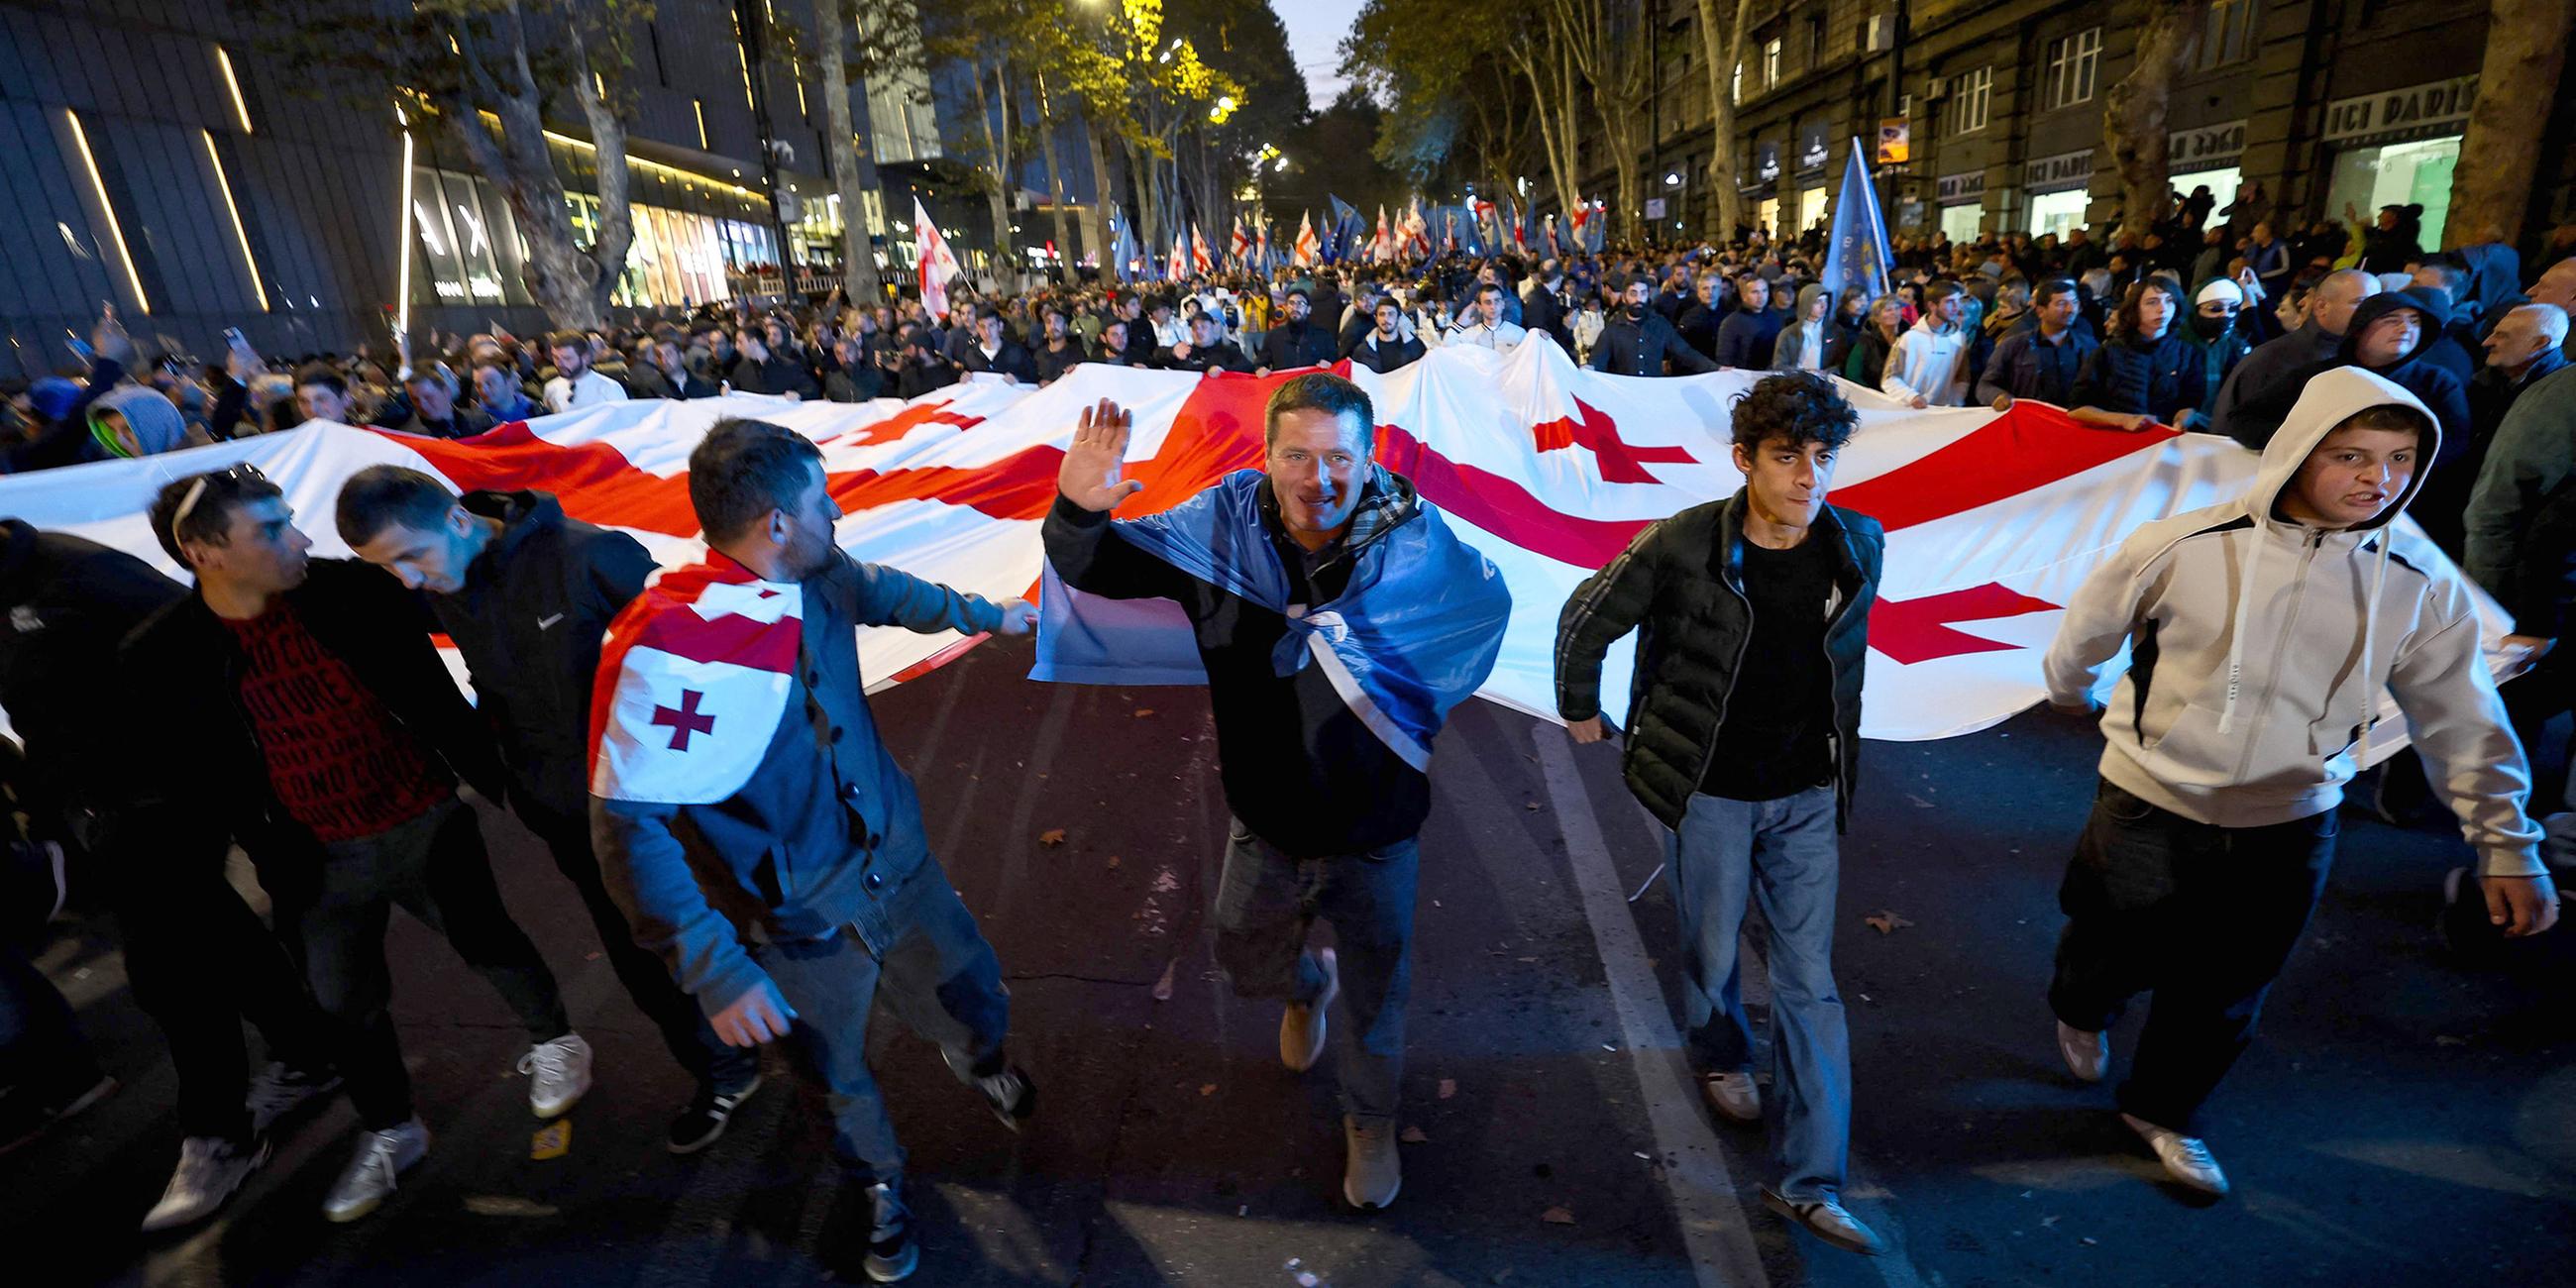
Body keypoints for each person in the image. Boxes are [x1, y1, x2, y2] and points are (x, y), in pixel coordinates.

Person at [2040, 367, 2558, 1198]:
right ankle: (2082, 1004)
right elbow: (2085, 640)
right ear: (2295, 453)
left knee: (2229, 983)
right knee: (2109, 939)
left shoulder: (2419, 590)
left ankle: (2162, 1112)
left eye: (2397, 460)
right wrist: (2076, 694)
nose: (2374, 479)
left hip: (2294, 818)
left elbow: (2462, 718)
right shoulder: (2178, 545)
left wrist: (2507, 843)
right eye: (2349, 455)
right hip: (2148, 800)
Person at [1041, 375, 1510, 1211]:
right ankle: (1303, 986)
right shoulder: (1218, 534)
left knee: (1379, 998)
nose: (1317, 478)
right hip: (1264, 828)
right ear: (1267, 458)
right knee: (1243, 958)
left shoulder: (1416, 546)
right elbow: (1097, 566)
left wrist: (1412, 689)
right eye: (1297, 455)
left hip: (1377, 834)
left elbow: (1480, 608)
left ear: (1371, 462)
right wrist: (1078, 508)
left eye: (1339, 458)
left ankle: (1368, 1123)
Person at [591, 418, 1036, 1284]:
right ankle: (878, 1186)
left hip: (897, 868)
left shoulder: (820, 573)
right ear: (776, 526)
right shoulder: (667, 649)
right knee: (833, 1077)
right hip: (793, 920)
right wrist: (714, 969)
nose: (836, 513)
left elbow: (886, 589)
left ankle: (980, 1058)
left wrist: (987, 614)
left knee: (972, 992)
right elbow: (626, 828)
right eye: (820, 500)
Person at [124, 464, 588, 1224]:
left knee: (488, 937)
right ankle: (390, 1129)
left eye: (288, 517)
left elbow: (446, 679)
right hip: (311, 859)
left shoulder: (356, 591)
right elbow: (194, 774)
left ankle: (556, 1039)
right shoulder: (162, 656)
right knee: (345, 1007)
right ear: (205, 553)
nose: (300, 537)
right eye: (270, 530)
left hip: (423, 819)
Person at [335, 469, 770, 1155]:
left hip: (665, 803)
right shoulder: (448, 578)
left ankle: (812, 1062)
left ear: (455, 520)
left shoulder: (590, 556)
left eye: (408, 558)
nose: (408, 583)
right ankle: (724, 1069)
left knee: (729, 924)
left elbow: (706, 655)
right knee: (640, 955)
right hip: (568, 812)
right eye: (387, 569)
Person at [1553, 372, 1887, 1256]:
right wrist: (1579, 704)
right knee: (1711, 944)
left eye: (1822, 458)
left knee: (1809, 980)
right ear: (1743, 461)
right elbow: (1586, 615)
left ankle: (1809, 1181)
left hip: (1808, 796)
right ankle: (1723, 1052)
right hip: (1709, 793)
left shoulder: (1859, 543)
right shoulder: (1682, 544)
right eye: (1787, 458)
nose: (1808, 478)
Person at [0, 522, 341, 1226]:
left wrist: (221, 790)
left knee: (169, 971)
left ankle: (219, 1134)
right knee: (215, 928)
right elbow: (32, 707)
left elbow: (211, 656)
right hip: (97, 807)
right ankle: (308, 1053)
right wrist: (51, 803)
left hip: (163, 798)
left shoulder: (81, 573)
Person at [2209, 268, 2377, 443]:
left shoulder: (2368, 358)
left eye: (2377, 304)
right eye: (2361, 303)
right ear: (2321, 306)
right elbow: (2238, 430)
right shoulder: (2274, 359)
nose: (2372, 313)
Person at [2068, 279, 2204, 432]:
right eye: (2152, 302)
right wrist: (2123, 420)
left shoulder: (2187, 352)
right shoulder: (2109, 351)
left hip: (2165, 442)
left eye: (2170, 301)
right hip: (2118, 439)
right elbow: (2077, 408)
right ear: (2135, 308)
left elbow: (2191, 402)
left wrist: (2182, 420)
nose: (2163, 309)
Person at [1978, 279, 2097, 408]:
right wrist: (1998, 396)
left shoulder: (2089, 346)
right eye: (2061, 304)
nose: (2070, 309)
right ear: (2040, 311)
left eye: (2074, 303)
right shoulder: (2014, 345)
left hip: (2070, 423)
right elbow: (1985, 385)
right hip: (2026, 421)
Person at [1592, 275, 1721, 376]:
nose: (1638, 299)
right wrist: (1588, 369)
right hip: (1625, 397)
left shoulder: (1659, 324)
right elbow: (1598, 361)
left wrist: (1715, 368)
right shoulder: (1613, 329)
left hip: (1653, 395)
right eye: (1633, 293)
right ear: (1624, 297)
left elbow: (1684, 352)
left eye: (1643, 293)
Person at [2177, 278, 2256, 431]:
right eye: (2215, 309)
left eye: (2232, 308)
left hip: (2225, 429)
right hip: (2180, 427)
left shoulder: (2239, 345)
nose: (2225, 314)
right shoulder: (2177, 343)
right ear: (2196, 310)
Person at [1881, 279, 1971, 407]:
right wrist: (1912, 397)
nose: (1956, 308)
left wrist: (1955, 402)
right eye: (1950, 302)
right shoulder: (1909, 338)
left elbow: (1962, 378)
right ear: (1932, 305)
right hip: (1909, 409)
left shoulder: (1959, 339)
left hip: (1942, 414)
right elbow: (1889, 378)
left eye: (1958, 302)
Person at [384, 363, 494, 439]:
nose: (422, 405)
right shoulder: (412, 437)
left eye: (428, 397)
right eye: (415, 399)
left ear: (446, 392)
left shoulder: (481, 420)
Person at [543, 329, 630, 412]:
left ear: (585, 358)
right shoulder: (551, 388)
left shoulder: (609, 388)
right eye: (556, 357)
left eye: (567, 358)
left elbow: (625, 420)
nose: (559, 364)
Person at [732, 325, 823, 400]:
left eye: (740, 342)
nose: (737, 347)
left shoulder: (788, 366)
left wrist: (799, 395)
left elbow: (812, 389)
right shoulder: (741, 370)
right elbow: (735, 388)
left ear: (754, 342)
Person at [1259, 288, 1339, 373]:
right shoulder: (1273, 336)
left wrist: (1329, 364)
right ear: (1285, 307)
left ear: (1309, 309)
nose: (1295, 308)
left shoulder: (1323, 336)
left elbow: (1335, 361)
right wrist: (1260, 369)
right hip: (1284, 384)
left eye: (1300, 304)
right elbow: (1261, 362)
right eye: (1291, 303)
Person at [1714, 275, 1783, 369]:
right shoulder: (1731, 323)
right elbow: (1724, 360)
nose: (1760, 296)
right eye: (1755, 292)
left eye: (1764, 290)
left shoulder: (1775, 317)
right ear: (1744, 296)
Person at [1156, 310, 1256, 375]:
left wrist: (1224, 371)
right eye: (1194, 328)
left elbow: (1248, 368)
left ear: (1213, 328)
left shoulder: (1229, 351)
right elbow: (1156, 357)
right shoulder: (1186, 352)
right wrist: (1172, 352)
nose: (1198, 331)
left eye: (1203, 327)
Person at [1771, 284, 1842, 374]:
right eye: (1817, 302)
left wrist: (1825, 373)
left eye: (1826, 301)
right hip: (1795, 382)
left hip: (1825, 383)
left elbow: (1840, 365)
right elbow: (1779, 366)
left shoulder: (1835, 331)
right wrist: (1804, 373)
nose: (1823, 306)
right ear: (1806, 304)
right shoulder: (1788, 333)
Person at [1841, 295, 1905, 393]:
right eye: (1888, 310)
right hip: (1874, 396)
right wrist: (1874, 393)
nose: (1894, 312)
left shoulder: (1908, 337)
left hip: (1904, 394)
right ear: (1877, 317)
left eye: (1897, 308)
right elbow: (1852, 375)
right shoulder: (1865, 341)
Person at [1444, 282, 1528, 353]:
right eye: (1488, 302)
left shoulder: (1518, 333)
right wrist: (1458, 324)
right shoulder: (1469, 336)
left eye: (1497, 301)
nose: (1493, 306)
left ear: (1503, 304)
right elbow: (1447, 351)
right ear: (1479, 306)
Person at [961, 308, 1038, 383]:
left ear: (1000, 326)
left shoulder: (1017, 351)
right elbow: (965, 376)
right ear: (977, 328)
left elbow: (1034, 377)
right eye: (982, 327)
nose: (987, 332)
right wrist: (964, 378)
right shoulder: (971, 355)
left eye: (991, 325)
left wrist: (1018, 379)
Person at [1350, 297, 1427, 375]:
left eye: (1391, 314)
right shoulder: (1362, 351)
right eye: (1382, 314)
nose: (1386, 319)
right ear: (1376, 318)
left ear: (1398, 317)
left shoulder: (1416, 347)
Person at [473, 356, 539, 422]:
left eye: (490, 383)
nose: (484, 390)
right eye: (478, 386)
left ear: (508, 380)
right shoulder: (477, 424)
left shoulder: (536, 410)